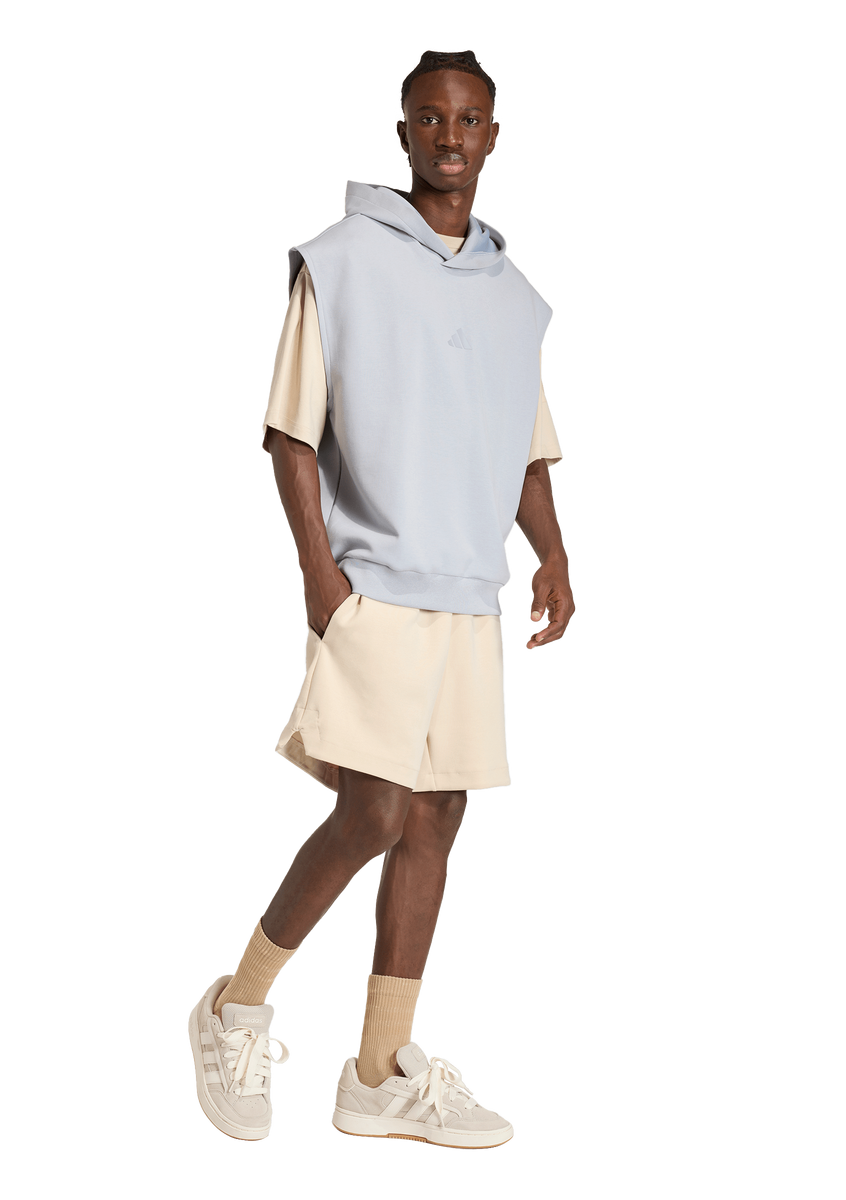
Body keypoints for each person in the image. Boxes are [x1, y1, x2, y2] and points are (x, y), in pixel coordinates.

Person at [185, 46, 575, 1152]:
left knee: (439, 816)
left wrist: (552, 556)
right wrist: (320, 576)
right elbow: (289, 431)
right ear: (402, 131)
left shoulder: (518, 296)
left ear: (495, 133)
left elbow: (526, 446)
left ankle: (375, 1072)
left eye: (469, 118)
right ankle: (234, 1007)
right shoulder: (342, 257)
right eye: (429, 117)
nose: (449, 136)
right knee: (375, 808)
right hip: (375, 583)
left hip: (470, 592)